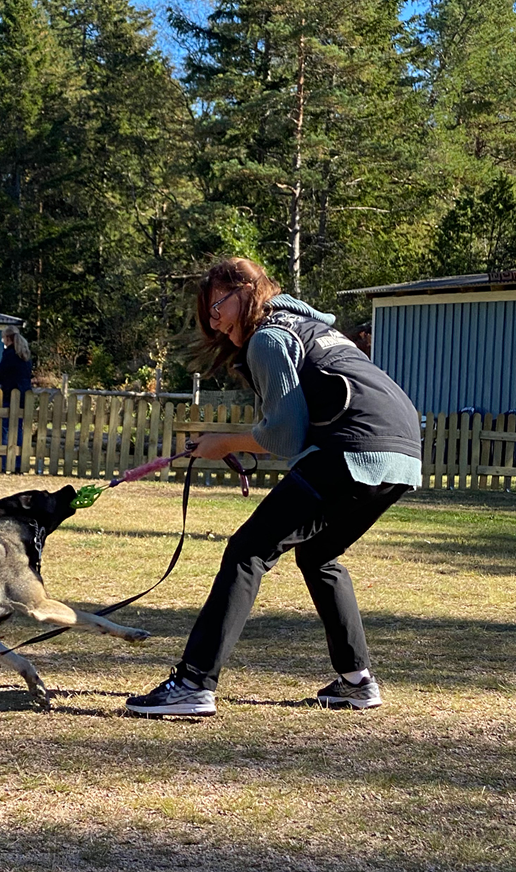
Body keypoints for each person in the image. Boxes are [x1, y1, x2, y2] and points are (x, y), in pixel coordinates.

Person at [125, 258, 421, 717]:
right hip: (402, 457)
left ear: (248, 290)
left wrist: (226, 442)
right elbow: (296, 422)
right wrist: (228, 440)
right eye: (208, 313)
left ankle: (193, 684)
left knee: (248, 551)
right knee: (318, 555)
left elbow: (285, 436)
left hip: (352, 450)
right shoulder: (312, 329)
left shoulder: (268, 337)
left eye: (217, 305)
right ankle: (356, 682)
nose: (213, 321)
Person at [0, 325, 32, 472]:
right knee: (19, 430)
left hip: (10, 394)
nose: (3, 341)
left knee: (6, 429)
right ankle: (18, 464)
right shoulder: (25, 355)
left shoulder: (9, 354)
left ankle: (4, 464)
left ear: (8, 338)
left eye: (3, 338)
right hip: (23, 396)